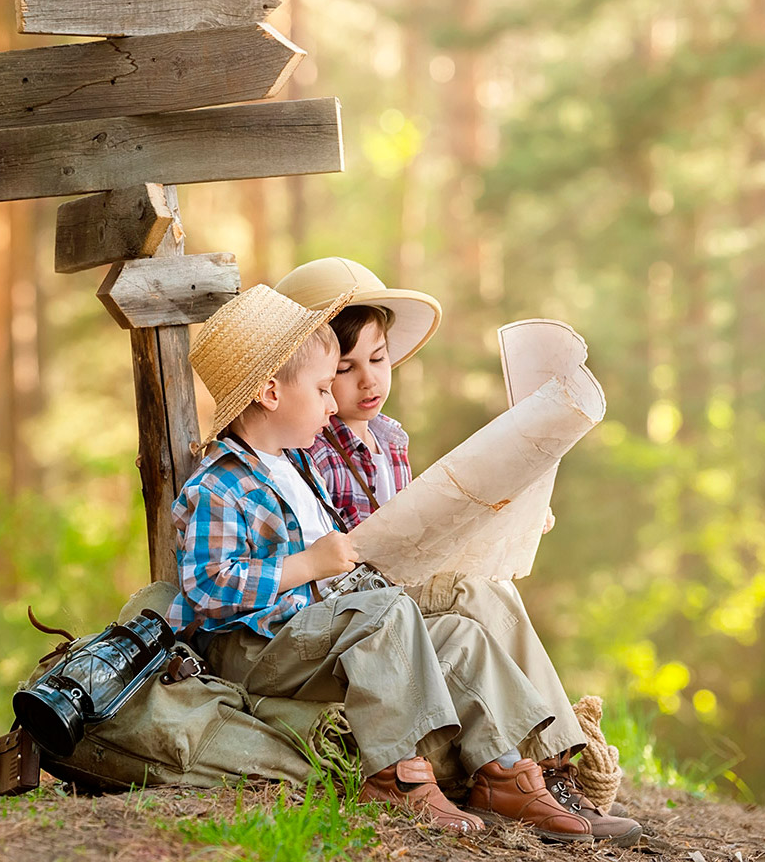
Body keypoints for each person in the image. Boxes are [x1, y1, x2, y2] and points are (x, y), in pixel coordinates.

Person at [167, 284, 595, 841]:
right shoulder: (221, 485)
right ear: (271, 392)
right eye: (324, 388)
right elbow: (207, 590)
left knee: (462, 636)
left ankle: (505, 770)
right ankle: (398, 775)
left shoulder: (294, 471)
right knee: (387, 612)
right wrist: (306, 564)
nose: (330, 404)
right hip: (259, 648)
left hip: (322, 631)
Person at [274, 257, 642, 846]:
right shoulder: (304, 443)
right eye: (343, 371)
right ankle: (530, 764)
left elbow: (420, 520)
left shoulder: (390, 437)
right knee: (473, 592)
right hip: (361, 598)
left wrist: (501, 520)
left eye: (378, 360)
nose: (368, 381)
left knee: (494, 585)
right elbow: (344, 543)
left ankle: (545, 765)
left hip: (403, 577)